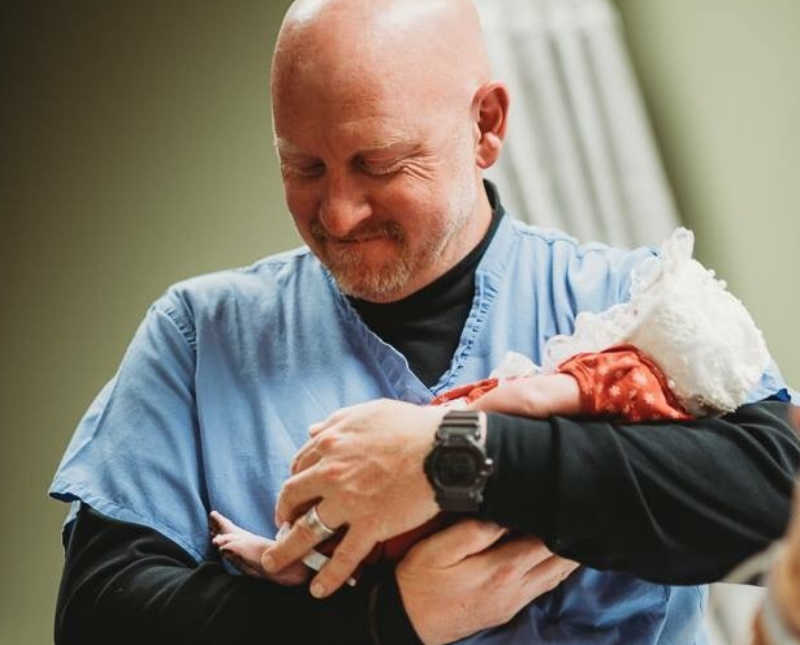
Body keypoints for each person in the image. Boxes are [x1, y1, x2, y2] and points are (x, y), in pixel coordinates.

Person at [49, 1, 800, 644]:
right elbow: (100, 614)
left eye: (378, 164)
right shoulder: (197, 340)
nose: (338, 212)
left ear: (486, 125)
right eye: (303, 167)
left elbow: (778, 496)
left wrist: (458, 460)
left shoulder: (633, 304)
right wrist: (387, 619)